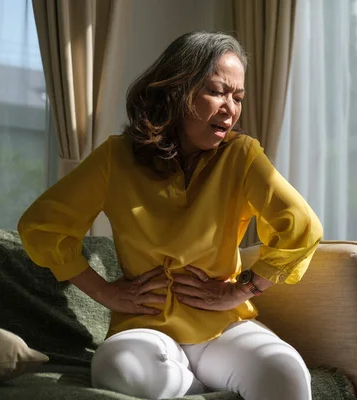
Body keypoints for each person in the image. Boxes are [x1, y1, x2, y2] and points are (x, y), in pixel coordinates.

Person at [18, 31, 323, 400]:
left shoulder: (242, 155)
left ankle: (199, 384)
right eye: (217, 91)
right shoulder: (116, 157)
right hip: (144, 327)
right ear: (177, 91)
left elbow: (301, 227)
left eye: (238, 97)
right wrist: (107, 293)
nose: (230, 108)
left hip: (222, 327)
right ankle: (199, 389)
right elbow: (43, 226)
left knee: (284, 369)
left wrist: (242, 290)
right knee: (121, 368)